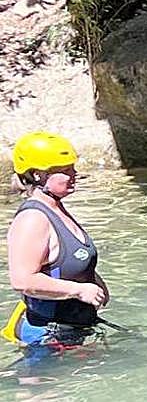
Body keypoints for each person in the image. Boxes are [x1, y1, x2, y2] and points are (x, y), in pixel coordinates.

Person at [4, 133, 108, 349]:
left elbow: (66, 262)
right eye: (64, 170)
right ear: (37, 174)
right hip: (48, 337)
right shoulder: (33, 219)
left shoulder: (57, 209)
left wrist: (96, 283)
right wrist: (80, 290)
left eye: (72, 168)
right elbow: (22, 281)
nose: (74, 174)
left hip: (73, 329)